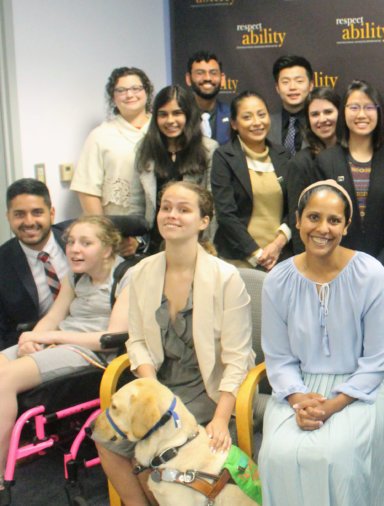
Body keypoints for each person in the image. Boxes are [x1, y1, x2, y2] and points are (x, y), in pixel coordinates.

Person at [95, 181, 255, 505]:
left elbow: (238, 358)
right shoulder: (141, 272)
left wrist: (222, 419)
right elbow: (137, 339)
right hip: (159, 385)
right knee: (106, 439)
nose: (172, 215)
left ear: (204, 221)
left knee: (151, 449)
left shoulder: (226, 278)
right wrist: (153, 390)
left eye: (184, 209)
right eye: (166, 207)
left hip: (207, 389)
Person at [258, 180, 384, 505]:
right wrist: (301, 401)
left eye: (334, 220)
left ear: (346, 225)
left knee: (336, 455)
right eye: (314, 217)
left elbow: (376, 361)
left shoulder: (371, 274)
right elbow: (278, 358)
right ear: (298, 221)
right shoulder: (277, 281)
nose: (323, 229)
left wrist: (331, 406)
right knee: (276, 453)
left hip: (366, 388)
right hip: (298, 388)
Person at [0, 216, 128, 489]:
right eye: (70, 242)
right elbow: (54, 316)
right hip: (60, 342)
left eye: (85, 243)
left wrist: (51, 337)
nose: (74, 249)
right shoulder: (75, 275)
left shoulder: (126, 276)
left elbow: (110, 338)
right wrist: (33, 338)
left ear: (107, 249)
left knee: (5, 379)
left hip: (91, 354)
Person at [310, 80, 384, 283]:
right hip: (336, 271)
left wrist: (378, 266)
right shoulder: (326, 161)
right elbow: (318, 222)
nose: (361, 115)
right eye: (354, 107)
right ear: (343, 112)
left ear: (379, 112)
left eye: (369, 107)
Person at [131, 84, 218, 253]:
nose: (170, 121)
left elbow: (212, 207)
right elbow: (136, 205)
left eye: (177, 113)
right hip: (153, 245)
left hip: (194, 245)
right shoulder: (144, 149)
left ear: (189, 115)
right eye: (163, 114)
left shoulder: (208, 149)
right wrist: (136, 241)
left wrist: (206, 247)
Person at [211, 91, 292, 271]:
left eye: (261, 115)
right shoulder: (224, 157)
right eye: (247, 117)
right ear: (234, 123)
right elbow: (225, 214)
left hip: (280, 256)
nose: (257, 122)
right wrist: (257, 254)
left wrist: (278, 245)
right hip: (238, 259)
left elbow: (293, 207)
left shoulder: (283, 155)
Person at [72, 67, 153, 217]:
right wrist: (103, 232)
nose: (129, 95)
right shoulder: (100, 135)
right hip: (119, 226)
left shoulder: (162, 128)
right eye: (121, 90)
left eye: (136, 88)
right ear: (113, 97)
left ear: (146, 92)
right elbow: (87, 190)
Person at [0, 179, 69, 347]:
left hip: (82, 334)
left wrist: (133, 242)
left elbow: (122, 226)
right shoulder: (3, 262)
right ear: (8, 217)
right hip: (33, 345)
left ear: (51, 213)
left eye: (37, 212)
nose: (29, 222)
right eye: (19, 214)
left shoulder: (76, 237)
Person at [285, 86, 343, 253]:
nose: (322, 119)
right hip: (316, 254)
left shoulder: (353, 156)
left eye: (328, 112)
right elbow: (297, 223)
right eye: (315, 114)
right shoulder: (300, 163)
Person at [267, 55, 314, 156]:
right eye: (285, 82)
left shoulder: (321, 123)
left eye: (299, 81)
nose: (292, 87)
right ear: (277, 88)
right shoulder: (266, 124)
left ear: (310, 85)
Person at [185, 50, 231, 145]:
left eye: (213, 73)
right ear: (188, 79)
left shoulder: (233, 116)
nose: (207, 78)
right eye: (200, 73)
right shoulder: (180, 117)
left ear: (222, 79)